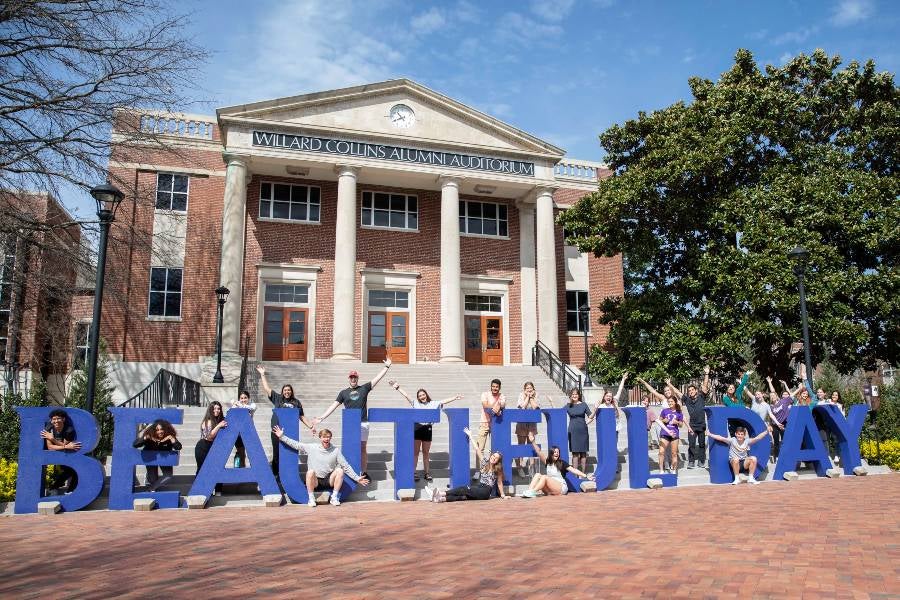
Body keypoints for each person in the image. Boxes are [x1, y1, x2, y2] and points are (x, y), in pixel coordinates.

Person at [314, 358, 392, 479]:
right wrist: (322, 417)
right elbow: (334, 405)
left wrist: (386, 367)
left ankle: (364, 472)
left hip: (363, 423)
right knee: (349, 447)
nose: (353, 379)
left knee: (362, 447)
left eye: (355, 377)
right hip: (350, 424)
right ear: (349, 379)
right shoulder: (343, 393)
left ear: (357, 378)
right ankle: (349, 471)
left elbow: (377, 379)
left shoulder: (364, 388)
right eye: (351, 377)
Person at [273, 426, 370, 507]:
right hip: (315, 481)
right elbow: (296, 445)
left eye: (328, 437)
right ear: (320, 438)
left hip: (328, 480)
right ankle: (311, 499)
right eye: (324, 437)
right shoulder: (312, 447)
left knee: (340, 470)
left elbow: (346, 466)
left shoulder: (335, 450)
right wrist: (282, 437)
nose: (326, 439)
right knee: (310, 472)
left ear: (330, 438)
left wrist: (357, 478)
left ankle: (334, 497)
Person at [387, 379, 461, 482]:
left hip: (427, 429)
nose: (422, 396)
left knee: (426, 453)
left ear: (426, 395)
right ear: (418, 397)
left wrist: (455, 398)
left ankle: (427, 473)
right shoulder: (415, 404)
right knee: (415, 453)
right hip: (417, 428)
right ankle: (413, 472)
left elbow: (443, 401)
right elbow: (407, 396)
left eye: (423, 394)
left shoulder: (434, 404)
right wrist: (397, 387)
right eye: (420, 395)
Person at [257, 365, 315, 476]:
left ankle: (288, 474)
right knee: (277, 452)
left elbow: (301, 416)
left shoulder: (296, 402)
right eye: (285, 390)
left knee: (289, 453)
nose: (287, 392)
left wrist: (311, 426)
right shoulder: (278, 398)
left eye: (289, 390)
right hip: (277, 429)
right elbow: (267, 388)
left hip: (290, 432)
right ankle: (275, 474)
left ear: (291, 391)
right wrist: (262, 374)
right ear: (282, 391)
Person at [425, 427, 510, 502]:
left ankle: (440, 493)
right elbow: (477, 449)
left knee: (464, 488)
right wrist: (470, 436)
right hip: (479, 487)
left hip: (486, 491)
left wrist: (503, 495)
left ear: (497, 461)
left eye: (496, 458)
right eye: (493, 456)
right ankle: (440, 499)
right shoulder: (485, 462)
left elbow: (499, 482)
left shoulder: (497, 469)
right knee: (464, 496)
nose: (493, 458)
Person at [521, 431, 594, 497]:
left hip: (561, 487)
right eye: (555, 452)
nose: (556, 453)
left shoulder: (562, 463)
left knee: (544, 477)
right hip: (550, 488)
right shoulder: (547, 462)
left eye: (558, 452)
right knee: (537, 474)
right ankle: (529, 492)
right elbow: (539, 451)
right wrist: (533, 441)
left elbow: (574, 470)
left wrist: (586, 476)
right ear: (551, 453)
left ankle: (533, 491)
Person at [675, 366, 711, 469]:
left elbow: (704, 386)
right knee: (691, 444)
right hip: (692, 426)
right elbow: (678, 392)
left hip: (702, 425)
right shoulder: (687, 400)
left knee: (702, 444)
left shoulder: (701, 397)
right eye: (689, 390)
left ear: (696, 391)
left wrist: (706, 374)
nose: (690, 391)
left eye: (692, 390)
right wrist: (669, 384)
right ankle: (691, 462)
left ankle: (701, 461)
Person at [470, 378, 505, 480]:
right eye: (493, 386)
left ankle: (490, 469)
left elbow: (502, 404)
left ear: (499, 388)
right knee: (480, 448)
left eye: (497, 387)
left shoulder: (502, 396)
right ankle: (478, 470)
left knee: (493, 450)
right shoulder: (485, 394)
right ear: (491, 387)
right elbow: (485, 405)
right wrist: (497, 407)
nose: (495, 388)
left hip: (496, 424)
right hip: (484, 422)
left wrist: (499, 405)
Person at [133, 419, 182, 490]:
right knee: (153, 479)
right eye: (157, 430)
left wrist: (172, 438)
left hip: (164, 457)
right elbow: (135, 445)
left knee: (168, 476)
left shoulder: (169, 436)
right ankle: (149, 478)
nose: (159, 432)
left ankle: (152, 488)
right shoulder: (150, 436)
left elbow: (178, 447)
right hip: (151, 458)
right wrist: (145, 437)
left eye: (161, 429)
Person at [40, 409, 80, 494]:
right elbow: (50, 447)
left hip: (65, 453)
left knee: (73, 471)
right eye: (54, 419)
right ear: (51, 420)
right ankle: (55, 488)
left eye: (58, 418)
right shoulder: (49, 429)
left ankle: (65, 490)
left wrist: (52, 439)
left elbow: (63, 445)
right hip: (52, 453)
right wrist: (66, 446)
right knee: (69, 471)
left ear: (63, 419)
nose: (56, 421)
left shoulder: (69, 430)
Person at [194, 401, 226, 495]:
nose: (217, 410)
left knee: (218, 468)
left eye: (218, 408)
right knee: (202, 469)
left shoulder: (221, 420)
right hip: (203, 447)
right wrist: (219, 426)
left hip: (215, 448)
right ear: (210, 410)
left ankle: (218, 491)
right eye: (214, 408)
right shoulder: (206, 421)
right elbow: (209, 436)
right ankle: (199, 491)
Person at [514, 381, 540, 478]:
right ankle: (520, 467)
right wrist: (527, 397)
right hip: (521, 423)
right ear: (524, 389)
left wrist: (532, 397)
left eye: (531, 388)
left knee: (531, 446)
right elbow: (522, 407)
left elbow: (535, 407)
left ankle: (531, 468)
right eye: (527, 388)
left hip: (532, 424)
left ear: (533, 389)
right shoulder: (521, 395)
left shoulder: (536, 395)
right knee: (521, 446)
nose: (529, 390)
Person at [655, 396, 684, 473]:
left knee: (674, 453)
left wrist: (677, 422)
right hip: (665, 433)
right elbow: (659, 420)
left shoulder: (679, 412)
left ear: (675, 402)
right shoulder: (664, 411)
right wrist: (664, 420)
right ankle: (661, 470)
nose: (670, 403)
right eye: (669, 402)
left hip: (674, 435)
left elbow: (681, 425)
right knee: (661, 452)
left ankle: (674, 470)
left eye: (671, 401)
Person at [565, 387, 591, 474]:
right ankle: (575, 475)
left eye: (576, 394)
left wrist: (586, 423)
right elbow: (559, 412)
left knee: (583, 453)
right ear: (570, 396)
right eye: (573, 394)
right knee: (575, 453)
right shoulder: (568, 405)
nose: (574, 396)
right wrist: (552, 402)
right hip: (572, 431)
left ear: (579, 395)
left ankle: (583, 474)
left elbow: (590, 416)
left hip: (583, 431)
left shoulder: (584, 404)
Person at [230, 389, 257, 468]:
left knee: (252, 453)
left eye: (245, 398)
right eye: (241, 398)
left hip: (249, 432)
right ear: (239, 399)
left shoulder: (252, 405)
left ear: (248, 398)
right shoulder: (236, 406)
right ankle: (239, 469)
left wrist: (238, 404)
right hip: (238, 433)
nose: (243, 400)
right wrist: (236, 405)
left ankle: (254, 470)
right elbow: (230, 412)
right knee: (240, 452)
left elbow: (252, 408)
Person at [722, 371, 751, 435]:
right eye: (729, 388)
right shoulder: (725, 398)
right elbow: (731, 405)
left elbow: (742, 385)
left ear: (735, 389)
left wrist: (746, 375)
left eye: (732, 388)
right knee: (734, 438)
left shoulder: (737, 394)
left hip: (741, 418)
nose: (731, 389)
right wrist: (743, 406)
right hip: (732, 420)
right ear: (727, 389)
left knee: (741, 437)